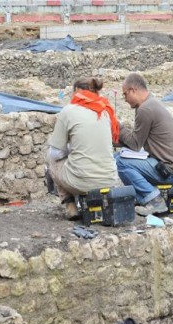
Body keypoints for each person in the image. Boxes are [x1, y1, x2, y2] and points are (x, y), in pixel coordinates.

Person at [47, 76, 119, 220]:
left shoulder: (68, 111)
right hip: (109, 179)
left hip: (81, 180)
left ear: (78, 91)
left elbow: (55, 153)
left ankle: (70, 205)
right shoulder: (105, 111)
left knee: (51, 160)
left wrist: (70, 150)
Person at [116, 72, 173, 216]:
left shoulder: (145, 109)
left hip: (169, 170)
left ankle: (154, 200)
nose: (125, 99)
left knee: (121, 163)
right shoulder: (149, 104)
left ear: (133, 90)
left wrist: (118, 126)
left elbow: (135, 144)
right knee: (118, 157)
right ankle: (144, 198)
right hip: (167, 165)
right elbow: (136, 141)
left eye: (125, 95)